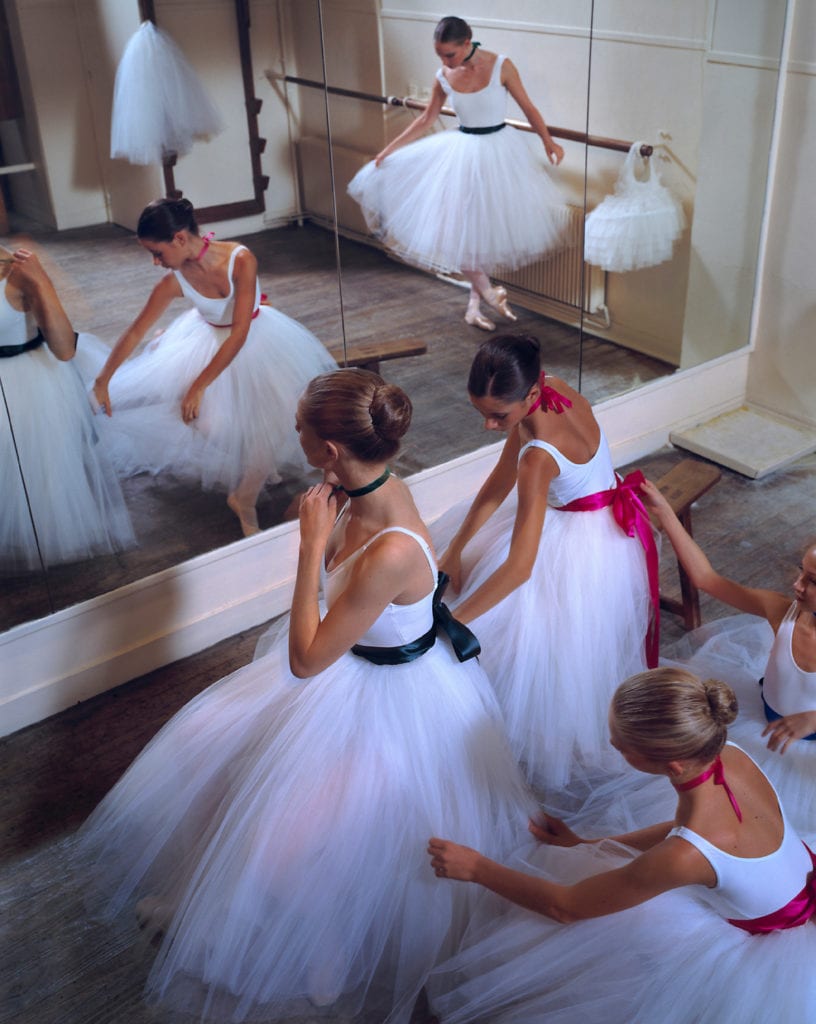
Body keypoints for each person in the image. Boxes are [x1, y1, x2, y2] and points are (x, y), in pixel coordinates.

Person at [76, 368, 536, 1023]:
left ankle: (326, 943)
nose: (291, 431)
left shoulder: (389, 550)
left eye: (299, 427)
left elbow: (305, 661)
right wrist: (326, 526)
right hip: (355, 666)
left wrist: (310, 546)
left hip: (388, 697)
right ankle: (233, 903)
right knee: (216, 746)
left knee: (297, 830)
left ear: (329, 450)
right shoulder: (363, 486)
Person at [420, 668, 816, 1024]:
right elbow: (685, 829)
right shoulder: (728, 753)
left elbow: (565, 907)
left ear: (673, 766)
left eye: (620, 746)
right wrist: (588, 844)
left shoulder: (685, 855)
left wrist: (478, 869)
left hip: (773, 943)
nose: (612, 745)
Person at [431, 334, 657, 799]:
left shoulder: (538, 458)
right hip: (605, 524)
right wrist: (456, 546)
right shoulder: (553, 387)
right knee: (474, 576)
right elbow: (499, 482)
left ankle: (519, 740)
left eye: (499, 416)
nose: (489, 425)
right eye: (481, 413)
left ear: (530, 394)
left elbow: (519, 569)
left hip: (581, 547)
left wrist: (452, 622)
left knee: (527, 642)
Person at [89, 197, 337, 537]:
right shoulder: (174, 281)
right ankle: (258, 462)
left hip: (254, 339)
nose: (155, 262)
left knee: (278, 415)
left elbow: (240, 333)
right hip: (206, 341)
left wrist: (198, 385)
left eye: (157, 253)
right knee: (210, 425)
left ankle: (244, 497)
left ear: (179, 238)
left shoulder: (240, 259)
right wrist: (103, 379)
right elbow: (135, 331)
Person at [347, 15, 567, 332]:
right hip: (462, 154)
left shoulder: (501, 66)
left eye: (449, 54)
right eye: (439, 55)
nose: (445, 62)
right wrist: (388, 150)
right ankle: (489, 294)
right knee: (458, 234)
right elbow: (426, 118)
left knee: (481, 232)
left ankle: (473, 308)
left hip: (499, 153)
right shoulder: (443, 75)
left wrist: (548, 141)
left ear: (467, 42)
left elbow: (528, 108)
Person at [636, 477, 816, 837]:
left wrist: (812, 718)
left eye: (814, 581)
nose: (797, 584)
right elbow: (707, 579)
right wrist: (666, 513)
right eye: (801, 571)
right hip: (759, 723)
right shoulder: (781, 611)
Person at [0, 244, 134, 569]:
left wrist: (41, 281)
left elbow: (63, 349)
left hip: (25, 381)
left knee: (31, 472)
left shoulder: (18, 272)